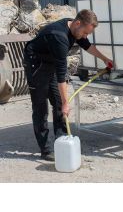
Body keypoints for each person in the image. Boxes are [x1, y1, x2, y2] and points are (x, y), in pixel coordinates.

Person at [23, 9, 113, 161]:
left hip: (50, 61)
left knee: (58, 103)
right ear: (78, 23)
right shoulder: (59, 37)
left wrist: (104, 59)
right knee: (40, 107)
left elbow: (86, 45)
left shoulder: (74, 26)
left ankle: (61, 140)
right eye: (85, 32)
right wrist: (67, 102)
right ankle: (46, 150)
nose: (85, 36)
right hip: (36, 63)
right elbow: (61, 75)